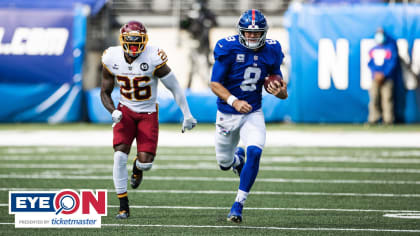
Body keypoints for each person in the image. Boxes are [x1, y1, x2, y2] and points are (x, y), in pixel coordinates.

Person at [100, 21, 197, 219]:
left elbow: (175, 87)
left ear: (145, 41)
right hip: (125, 110)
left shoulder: (154, 57)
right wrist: (112, 111)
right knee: (119, 156)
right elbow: (105, 92)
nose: (134, 47)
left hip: (148, 113)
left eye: (138, 42)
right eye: (130, 42)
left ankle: (138, 167)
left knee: (146, 163)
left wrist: (187, 114)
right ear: (122, 41)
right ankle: (123, 205)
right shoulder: (111, 57)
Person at [210, 9, 288, 223]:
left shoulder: (272, 49)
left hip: (253, 111)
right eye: (248, 33)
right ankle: (236, 160)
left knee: (254, 151)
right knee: (224, 163)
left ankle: (238, 205)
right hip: (227, 113)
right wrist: (233, 100)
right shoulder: (228, 47)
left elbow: (282, 91)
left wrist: (280, 90)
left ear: (264, 32)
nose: (252, 36)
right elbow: (214, 83)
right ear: (240, 32)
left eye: (256, 33)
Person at [367, 27, 399, 125]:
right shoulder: (373, 49)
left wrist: (384, 74)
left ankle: (388, 119)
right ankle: (373, 118)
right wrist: (376, 73)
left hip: (387, 78)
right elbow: (370, 63)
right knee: (374, 98)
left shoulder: (390, 48)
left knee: (387, 98)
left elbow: (392, 63)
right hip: (375, 77)